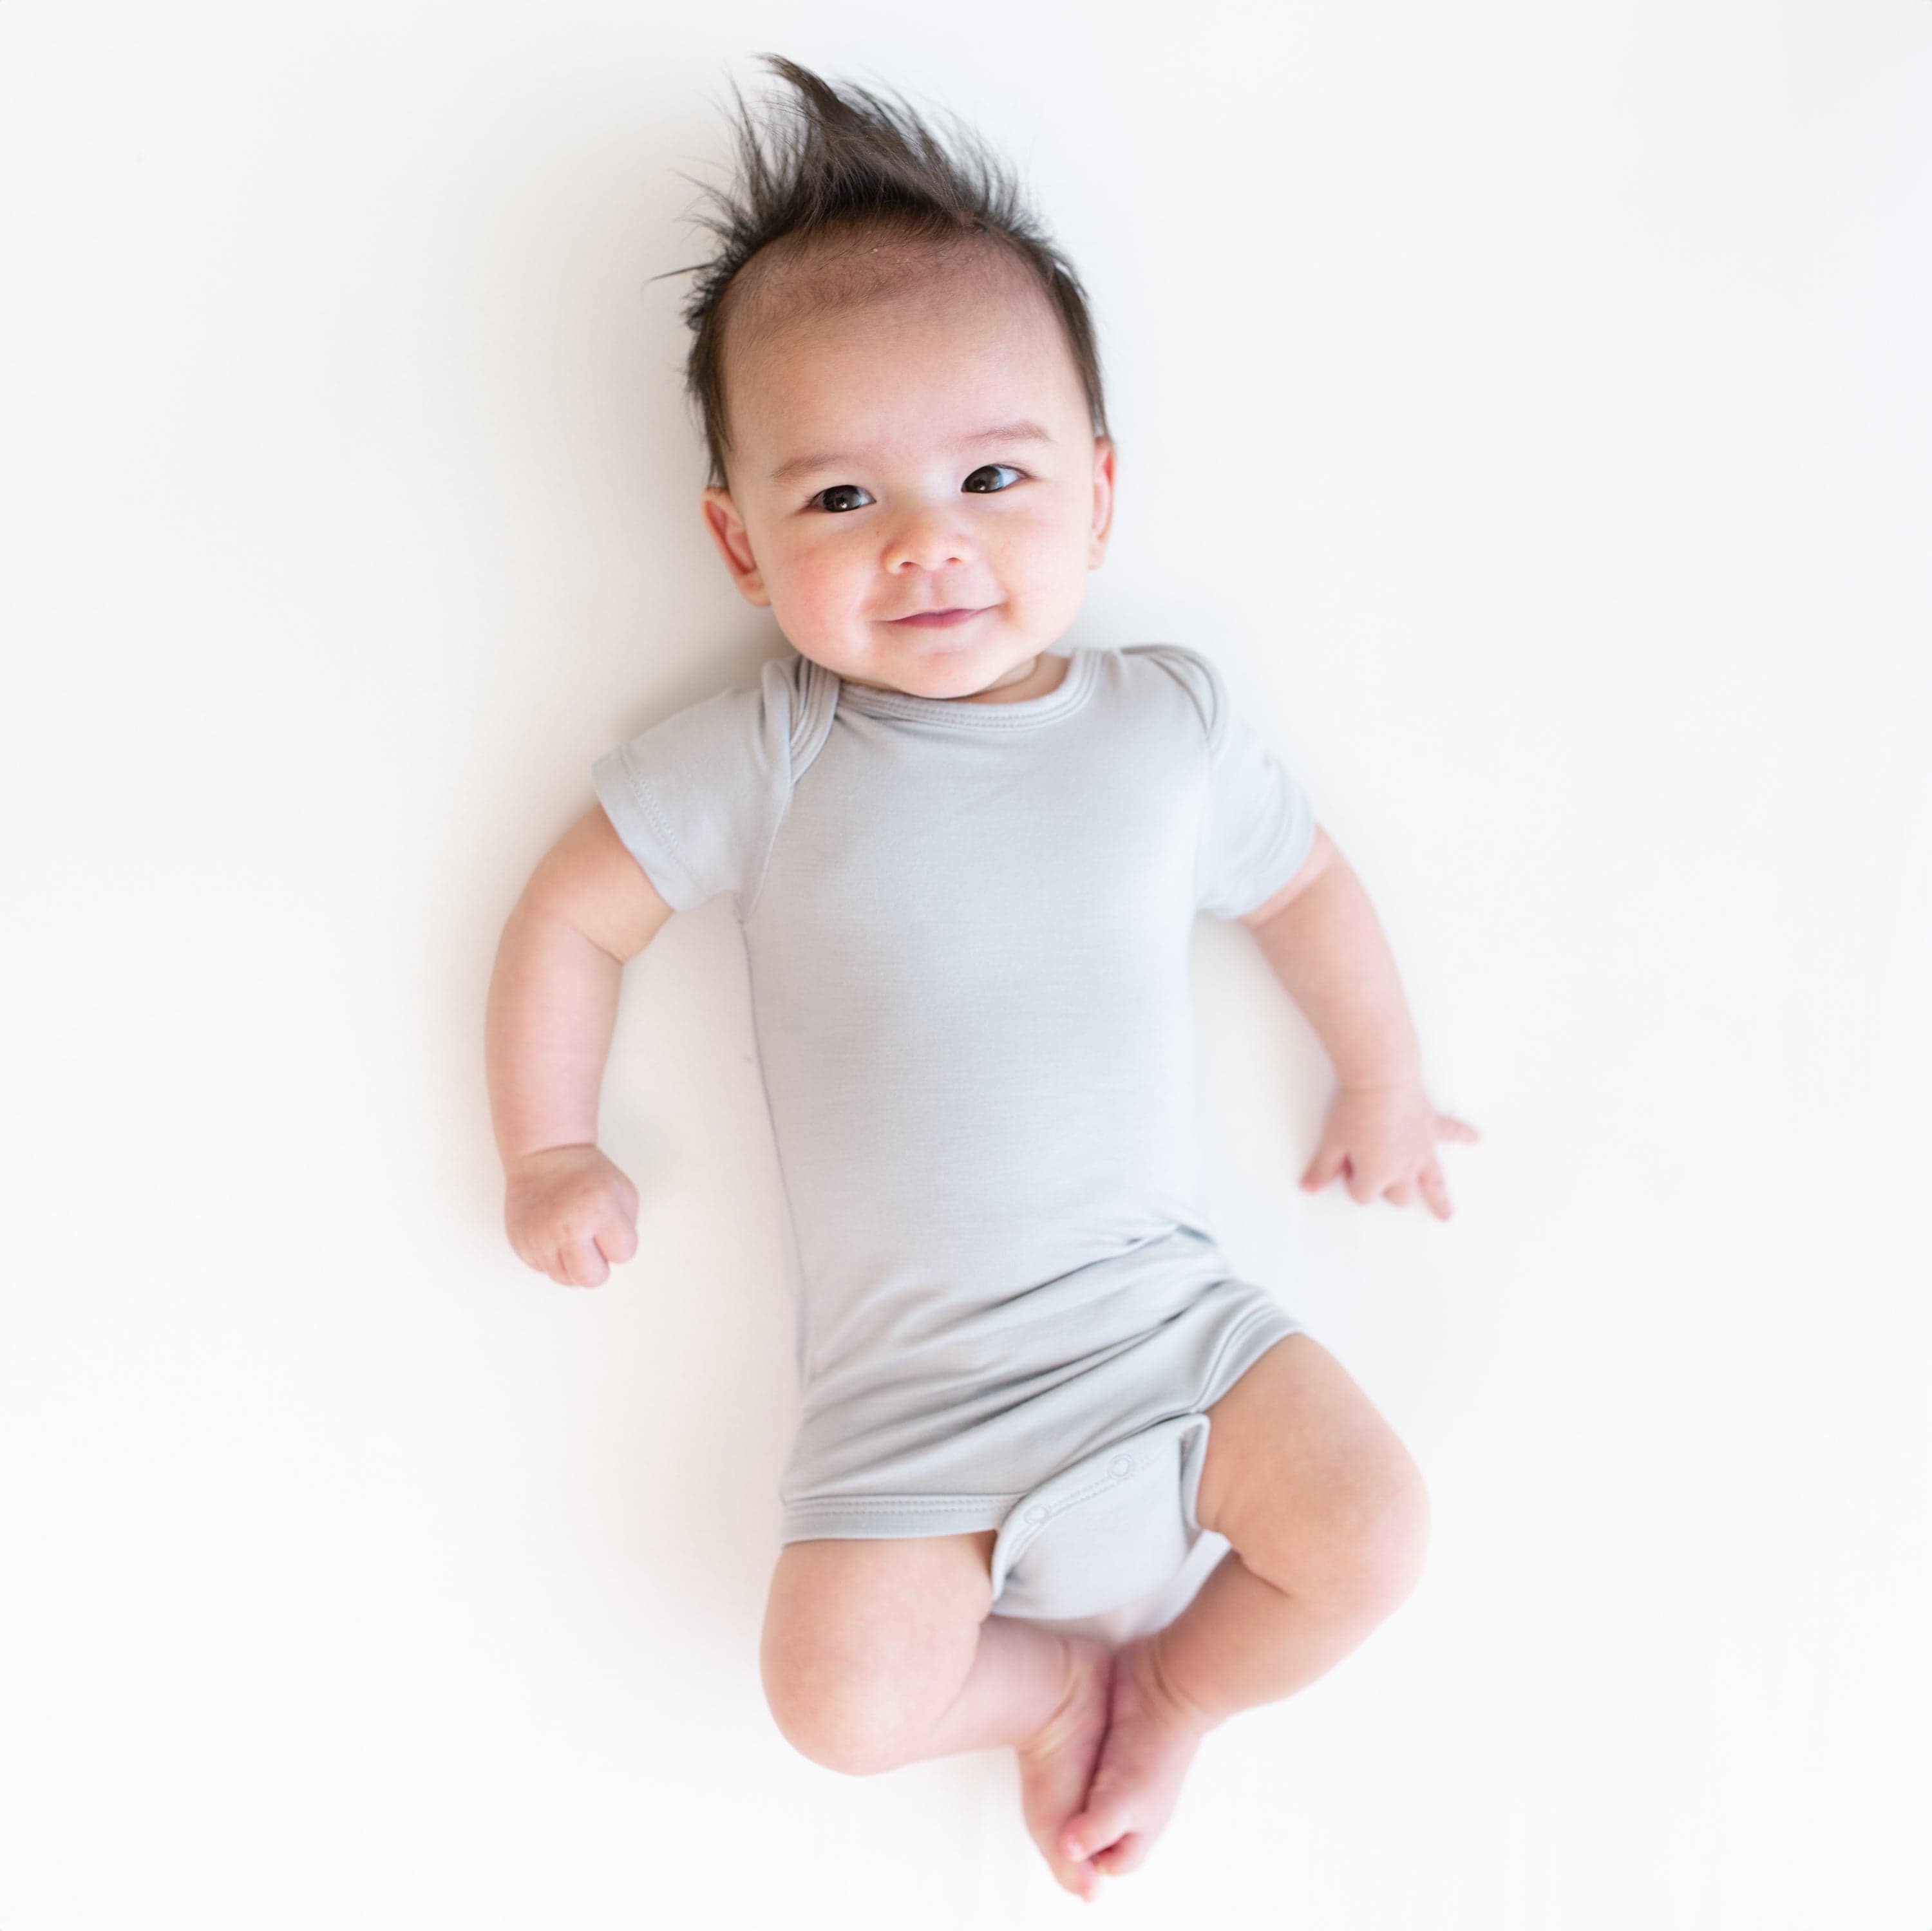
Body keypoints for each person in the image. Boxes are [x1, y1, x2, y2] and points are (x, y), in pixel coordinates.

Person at [484, 54, 1479, 1903]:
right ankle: (1048, 1693)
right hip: (909, 1407)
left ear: (1097, 495)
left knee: (1373, 1535)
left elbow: (1308, 887)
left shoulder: (1165, 725)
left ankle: (1168, 1699)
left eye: (993, 476)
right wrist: (550, 1145)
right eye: (843, 496)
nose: (928, 540)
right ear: (740, 543)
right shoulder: (762, 758)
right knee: (839, 1701)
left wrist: (1384, 1078)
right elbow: (572, 918)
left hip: (1166, 1335)